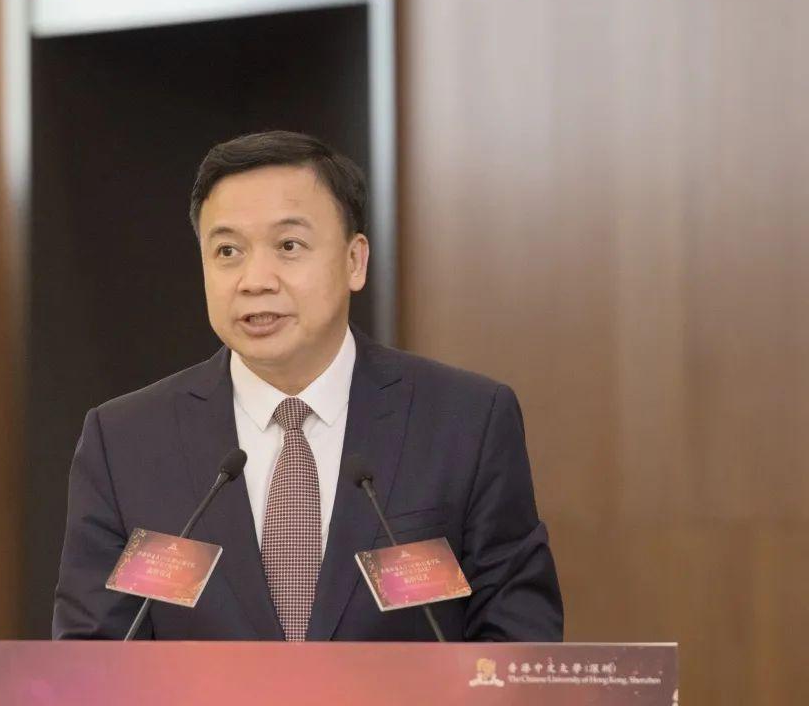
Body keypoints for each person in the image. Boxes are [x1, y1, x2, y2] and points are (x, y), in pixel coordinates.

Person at [53, 130, 562, 641]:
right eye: (227, 250)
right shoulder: (125, 441)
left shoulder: (466, 422)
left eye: (288, 246)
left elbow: (518, 641)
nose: (255, 280)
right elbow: (93, 657)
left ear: (354, 261)